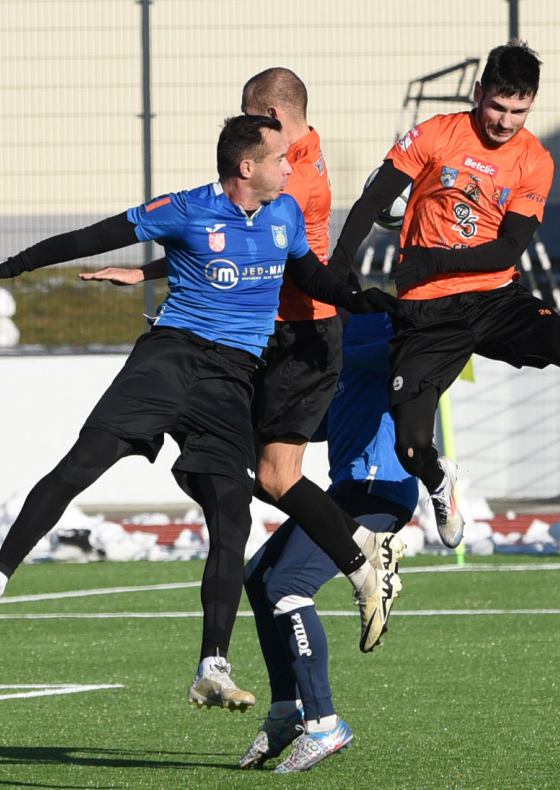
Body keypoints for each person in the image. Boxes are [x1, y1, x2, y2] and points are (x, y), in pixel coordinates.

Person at [0, 114, 398, 711]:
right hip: (169, 358)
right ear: (247, 167)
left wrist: (359, 300)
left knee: (232, 516)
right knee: (83, 465)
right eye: (282, 157)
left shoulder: (283, 213)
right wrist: (3, 269)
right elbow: (87, 238)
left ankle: (212, 666)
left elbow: (308, 273)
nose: (293, 166)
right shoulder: (185, 208)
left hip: (231, 380)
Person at [326, 41, 560, 548]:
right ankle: (441, 481)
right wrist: (338, 269)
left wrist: (439, 258)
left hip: (495, 297)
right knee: (411, 447)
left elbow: (508, 249)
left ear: (532, 104)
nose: (505, 121)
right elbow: (373, 198)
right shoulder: (435, 134)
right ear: (479, 93)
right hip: (427, 310)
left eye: (518, 111)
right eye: (497, 107)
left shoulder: (534, 160)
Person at [82, 68, 404, 657]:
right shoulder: (302, 153)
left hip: (300, 338)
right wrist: (151, 270)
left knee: (271, 474)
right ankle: (356, 554)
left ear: (274, 120)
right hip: (273, 337)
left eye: (251, 118)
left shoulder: (293, 176)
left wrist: (159, 267)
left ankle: (362, 553)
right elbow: (226, 234)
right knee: (238, 467)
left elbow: (243, 238)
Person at [239, 311, 418, 773]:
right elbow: (316, 422)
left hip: (380, 488)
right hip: (346, 490)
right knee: (258, 576)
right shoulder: (322, 338)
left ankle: (325, 724)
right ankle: (287, 712)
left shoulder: (370, 320)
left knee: (288, 586)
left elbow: (401, 356)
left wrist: (331, 359)